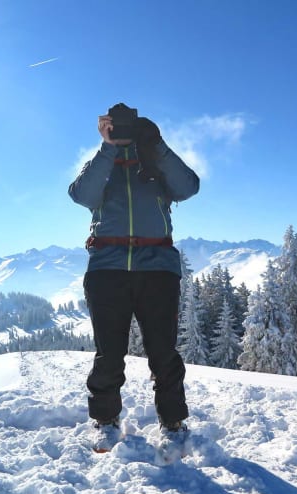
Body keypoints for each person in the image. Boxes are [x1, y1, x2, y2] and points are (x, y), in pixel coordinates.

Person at [68, 103, 200, 451]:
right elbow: (82, 195)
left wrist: (157, 145)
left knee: (163, 352)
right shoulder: (103, 161)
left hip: (157, 267)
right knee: (108, 352)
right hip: (107, 268)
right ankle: (105, 420)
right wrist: (107, 146)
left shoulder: (153, 160)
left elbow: (188, 188)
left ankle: (173, 423)